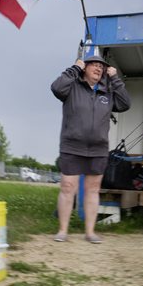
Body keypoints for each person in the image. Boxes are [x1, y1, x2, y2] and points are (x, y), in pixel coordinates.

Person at [51, 55, 131, 244]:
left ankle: (90, 232)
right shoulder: (72, 87)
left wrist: (116, 79)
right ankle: (62, 231)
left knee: (93, 189)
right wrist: (74, 68)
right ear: (85, 68)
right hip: (72, 145)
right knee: (68, 187)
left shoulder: (107, 91)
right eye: (94, 65)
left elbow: (125, 104)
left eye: (101, 66)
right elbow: (56, 87)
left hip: (98, 148)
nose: (98, 68)